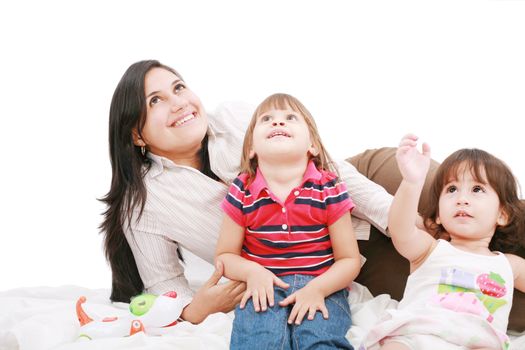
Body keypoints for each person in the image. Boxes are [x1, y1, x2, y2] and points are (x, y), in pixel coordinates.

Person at [100, 59, 393, 324]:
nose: (178, 103)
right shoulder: (143, 204)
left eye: (179, 87)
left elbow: (329, 168)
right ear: (137, 134)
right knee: (427, 277)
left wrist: (397, 219)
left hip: (363, 186)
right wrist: (196, 310)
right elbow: (166, 286)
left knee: (432, 194)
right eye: (155, 100)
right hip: (335, 268)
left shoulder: (233, 117)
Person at [215, 93, 360, 349]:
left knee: (321, 340)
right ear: (251, 148)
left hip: (321, 286)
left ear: (312, 145)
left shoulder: (328, 187)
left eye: (290, 118)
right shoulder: (243, 189)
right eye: (267, 119)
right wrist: (253, 272)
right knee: (258, 341)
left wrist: (318, 289)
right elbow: (225, 255)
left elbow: (349, 260)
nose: (278, 123)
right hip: (263, 287)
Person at [362, 134, 525, 350]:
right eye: (451, 189)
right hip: (416, 336)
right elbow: (400, 229)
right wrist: (412, 182)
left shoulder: (509, 265)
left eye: (477, 189)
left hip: (478, 343)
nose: (462, 198)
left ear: (502, 215)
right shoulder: (429, 249)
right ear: (438, 214)